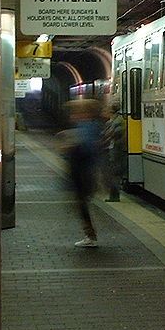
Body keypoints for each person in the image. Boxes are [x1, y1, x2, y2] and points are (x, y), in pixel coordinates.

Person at [63, 99, 104, 247]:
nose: (72, 115)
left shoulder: (86, 126)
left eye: (75, 112)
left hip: (83, 174)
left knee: (82, 204)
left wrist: (72, 146)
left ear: (84, 113)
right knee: (82, 204)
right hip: (85, 173)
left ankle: (90, 236)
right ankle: (89, 234)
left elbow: (88, 149)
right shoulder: (90, 126)